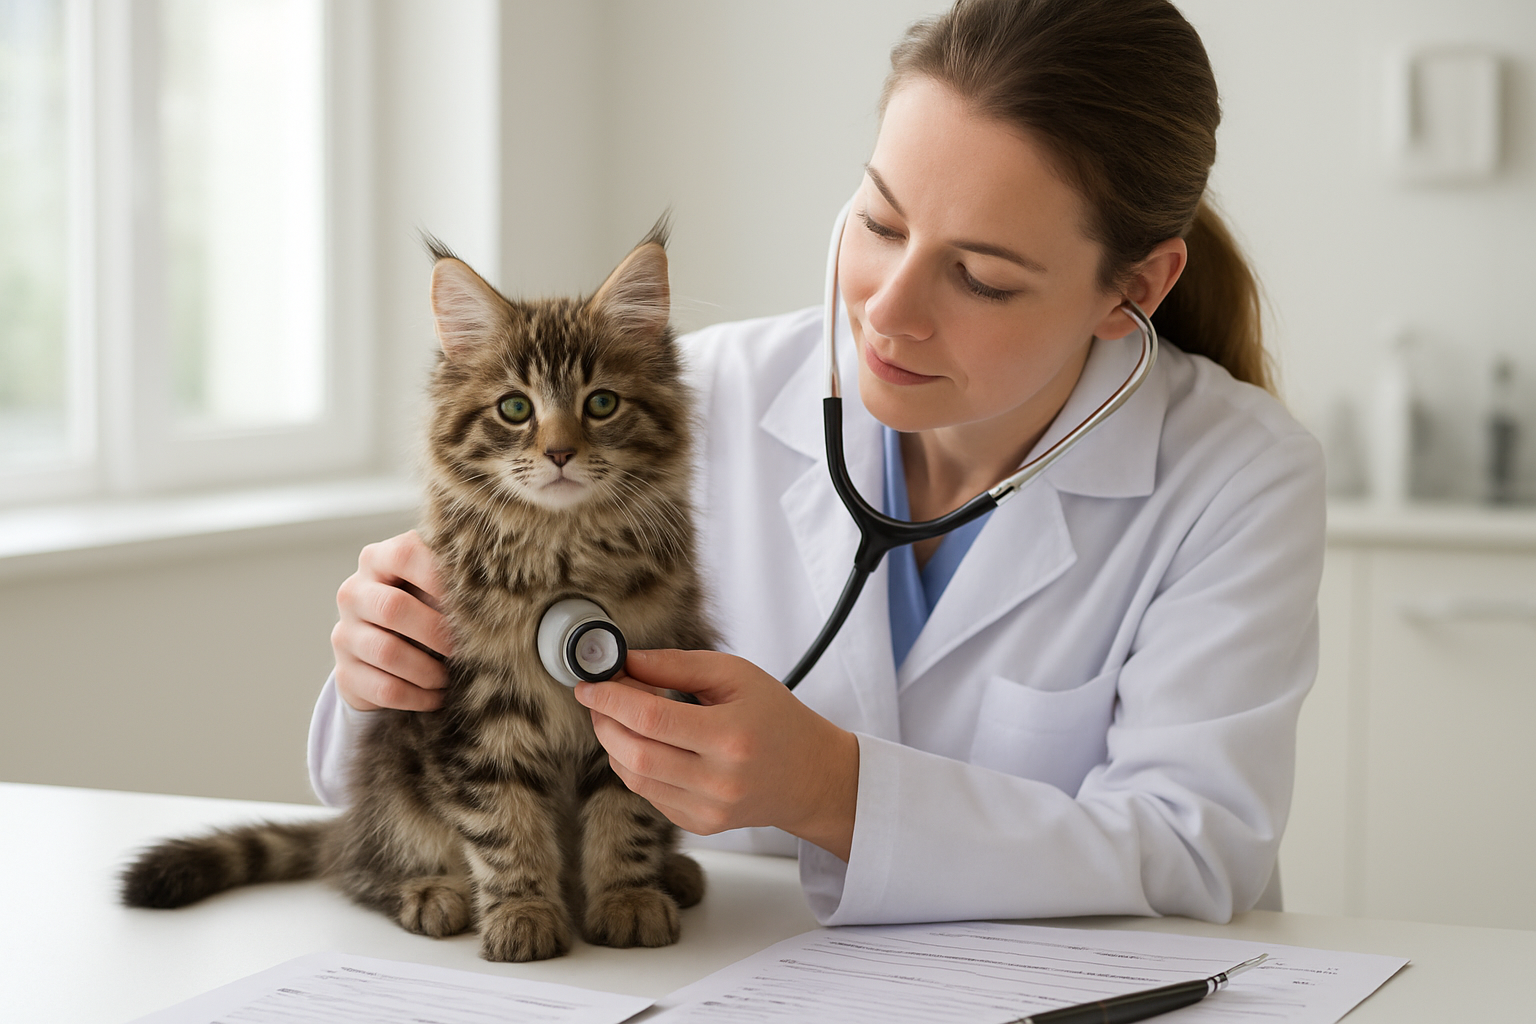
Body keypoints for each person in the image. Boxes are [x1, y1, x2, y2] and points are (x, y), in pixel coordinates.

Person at [311, 0, 1324, 927]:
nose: (887, 309)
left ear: (1133, 288)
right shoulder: (680, 405)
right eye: (880, 221)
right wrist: (383, 661)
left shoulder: (1237, 476)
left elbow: (1198, 853)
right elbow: (364, 778)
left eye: (978, 276)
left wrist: (833, 791)